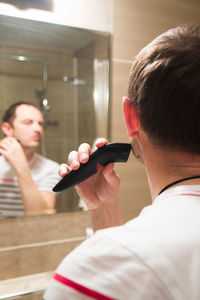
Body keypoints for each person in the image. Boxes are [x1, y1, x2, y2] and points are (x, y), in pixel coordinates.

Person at [44, 24, 200, 299]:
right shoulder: (117, 261)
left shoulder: (90, 273)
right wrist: (103, 209)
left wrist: (107, 249)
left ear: (131, 117)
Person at [0, 102, 60, 218]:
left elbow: (41, 215)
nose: (38, 129)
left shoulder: (51, 169)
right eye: (28, 123)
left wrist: (21, 167)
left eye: (40, 124)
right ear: (8, 129)